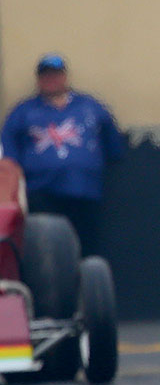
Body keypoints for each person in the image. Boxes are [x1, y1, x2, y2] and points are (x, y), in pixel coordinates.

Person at [1, 53, 124, 257]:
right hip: (42, 194)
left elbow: (113, 145)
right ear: (39, 79)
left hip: (85, 192)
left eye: (55, 74)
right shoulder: (23, 112)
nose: (51, 79)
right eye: (46, 75)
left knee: (86, 250)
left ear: (65, 76)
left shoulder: (90, 106)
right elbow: (8, 155)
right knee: (47, 252)